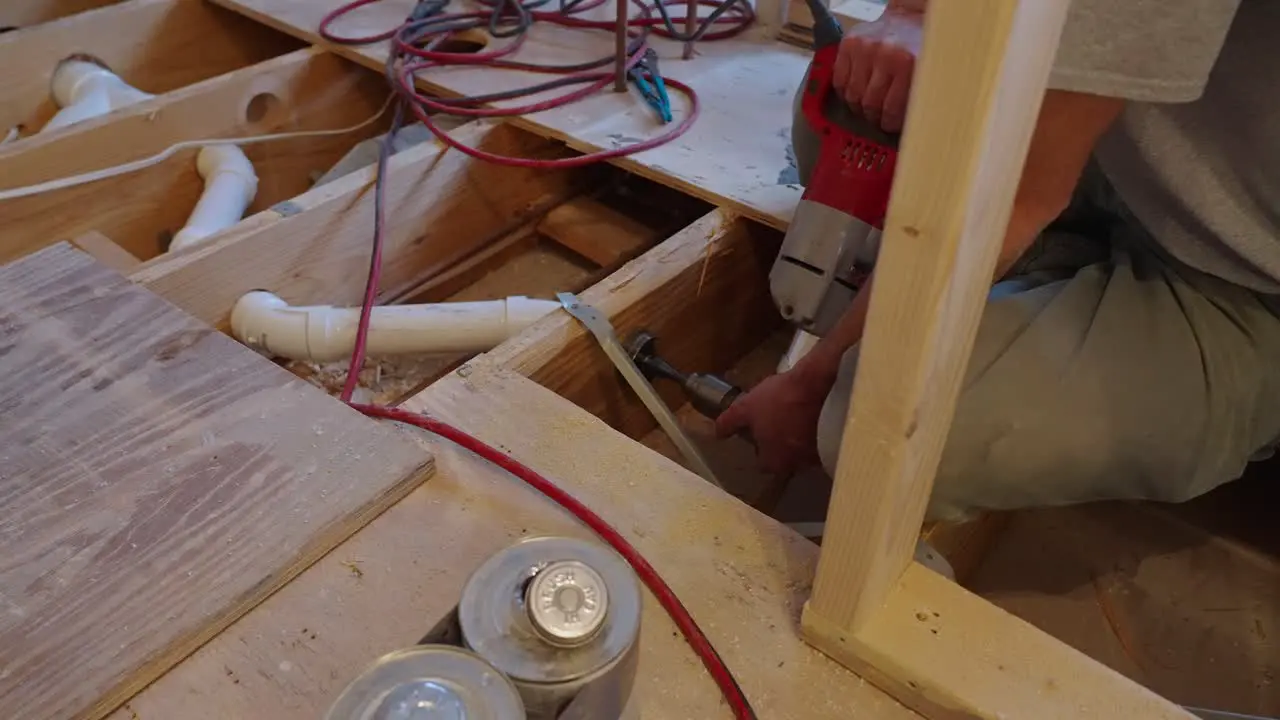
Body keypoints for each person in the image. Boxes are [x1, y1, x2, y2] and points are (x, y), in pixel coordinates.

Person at [716, 0, 1280, 522]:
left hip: (1238, 271)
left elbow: (1012, 199)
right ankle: (1056, 282)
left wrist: (806, 386)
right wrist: (913, 14)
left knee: (878, 431)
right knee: (852, 107)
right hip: (1111, 155)